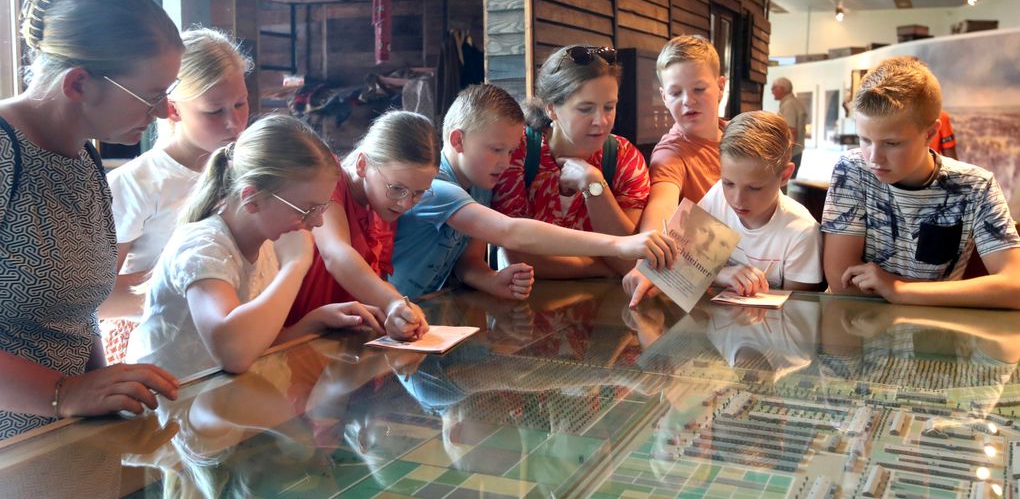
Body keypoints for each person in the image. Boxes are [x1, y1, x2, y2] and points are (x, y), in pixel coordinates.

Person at [0, 0, 181, 440]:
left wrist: (105, 392)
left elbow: (77, 320)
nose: (164, 111)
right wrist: (64, 393)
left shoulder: (82, 157)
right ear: (78, 83)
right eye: (151, 95)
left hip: (61, 441)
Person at [127, 114, 384, 378]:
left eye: (321, 208)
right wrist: (296, 266)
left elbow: (256, 341)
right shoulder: (203, 245)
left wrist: (315, 321)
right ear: (252, 199)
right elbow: (234, 352)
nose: (317, 221)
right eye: (306, 209)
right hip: (167, 406)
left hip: (213, 402)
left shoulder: (266, 243)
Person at [388, 84, 678, 300]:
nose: (506, 161)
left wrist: (491, 279)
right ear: (457, 140)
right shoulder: (434, 188)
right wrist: (618, 246)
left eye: (512, 151)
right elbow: (510, 232)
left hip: (423, 308)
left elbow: (467, 262)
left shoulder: (479, 184)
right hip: (386, 309)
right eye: (496, 149)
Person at [102, 27, 251, 363]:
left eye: (241, 103)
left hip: (228, 340)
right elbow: (100, 298)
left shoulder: (246, 172)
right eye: (214, 111)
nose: (235, 123)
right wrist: (196, 287)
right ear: (172, 109)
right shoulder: (136, 183)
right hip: (154, 348)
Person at [822, 56, 1020, 309]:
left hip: (933, 337)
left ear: (930, 133)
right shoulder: (851, 170)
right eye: (865, 140)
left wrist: (898, 289)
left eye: (892, 143)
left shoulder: (976, 186)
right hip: (855, 330)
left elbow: (1015, 287)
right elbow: (842, 283)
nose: (874, 158)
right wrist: (919, 291)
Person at [490, 45, 652, 278]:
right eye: (586, 109)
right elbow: (517, 254)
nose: (602, 121)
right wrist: (602, 267)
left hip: (607, 308)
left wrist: (593, 184)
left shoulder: (624, 157)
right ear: (551, 109)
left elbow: (631, 263)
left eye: (609, 107)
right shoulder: (517, 151)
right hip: (525, 303)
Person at [628, 111, 822, 305]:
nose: (737, 200)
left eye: (754, 188)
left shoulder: (801, 232)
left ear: (785, 175)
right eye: (728, 183)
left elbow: (796, 311)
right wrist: (718, 275)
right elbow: (680, 261)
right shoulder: (717, 196)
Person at [286, 110, 435, 340]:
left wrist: (396, 317)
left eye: (418, 193)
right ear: (363, 164)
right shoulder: (329, 178)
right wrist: (393, 302)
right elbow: (336, 253)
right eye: (397, 188)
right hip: (297, 341)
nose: (406, 203)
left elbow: (374, 289)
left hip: (342, 346)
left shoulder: (384, 207)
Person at [623, 35, 727, 300]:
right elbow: (661, 206)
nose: (687, 100)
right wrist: (647, 262)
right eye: (675, 92)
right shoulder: (671, 152)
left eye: (699, 89)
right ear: (663, 96)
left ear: (721, 87)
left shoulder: (739, 135)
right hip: (706, 282)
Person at [770, 76, 808, 177]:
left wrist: (784, 156)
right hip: (795, 153)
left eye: (773, 88)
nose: (772, 91)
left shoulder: (789, 104)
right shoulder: (793, 102)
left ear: (782, 89)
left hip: (791, 154)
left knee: (784, 184)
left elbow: (791, 132)